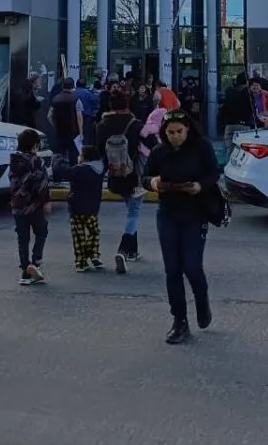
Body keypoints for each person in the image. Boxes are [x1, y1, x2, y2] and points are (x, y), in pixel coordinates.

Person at [144, 110, 221, 344]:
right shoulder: (159, 152)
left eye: (179, 131)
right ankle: (179, 321)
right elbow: (145, 177)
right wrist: (153, 182)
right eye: (171, 133)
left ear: (187, 128)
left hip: (195, 213)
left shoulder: (201, 147)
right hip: (168, 213)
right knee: (172, 269)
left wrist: (199, 185)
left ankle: (202, 301)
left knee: (192, 266)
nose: (176, 136)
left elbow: (213, 173)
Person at [96, 90, 146, 272]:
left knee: (131, 209)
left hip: (114, 175)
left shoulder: (102, 125)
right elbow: (151, 143)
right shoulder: (136, 124)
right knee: (133, 213)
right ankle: (123, 250)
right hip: (134, 175)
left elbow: (99, 150)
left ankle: (133, 250)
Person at [9, 128, 51, 285]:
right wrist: (46, 201)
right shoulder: (37, 161)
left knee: (23, 238)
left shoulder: (14, 161)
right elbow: (43, 183)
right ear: (35, 145)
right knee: (42, 231)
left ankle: (25, 271)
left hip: (17, 205)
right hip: (34, 205)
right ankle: (36, 261)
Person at [67, 145, 105, 272]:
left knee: (78, 236)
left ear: (85, 158)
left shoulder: (78, 170)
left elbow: (64, 172)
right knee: (94, 232)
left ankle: (81, 261)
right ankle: (93, 254)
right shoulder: (99, 170)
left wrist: (58, 160)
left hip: (76, 208)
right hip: (92, 208)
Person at [48, 77, 83, 169]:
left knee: (59, 154)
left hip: (60, 131)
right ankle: (73, 171)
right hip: (73, 132)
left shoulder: (56, 99)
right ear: (73, 86)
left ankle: (58, 171)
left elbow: (49, 116)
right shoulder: (76, 99)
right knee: (73, 155)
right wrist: (81, 132)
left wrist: (55, 126)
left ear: (63, 86)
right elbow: (79, 117)